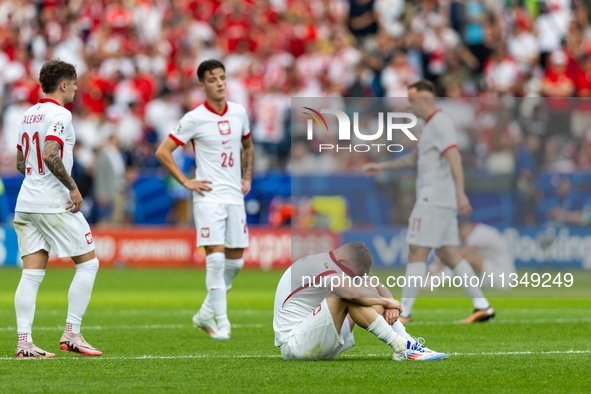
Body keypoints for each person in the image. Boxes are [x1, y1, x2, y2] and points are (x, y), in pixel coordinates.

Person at [362, 80, 494, 324]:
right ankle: (482, 306)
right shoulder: (431, 126)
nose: (410, 106)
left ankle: (405, 313)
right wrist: (382, 166)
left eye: (412, 100)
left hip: (433, 199)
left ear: (424, 99)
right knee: (450, 254)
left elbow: (453, 155)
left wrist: (460, 192)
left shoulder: (441, 123)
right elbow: (416, 158)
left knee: (416, 250)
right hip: (439, 200)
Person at [156, 59, 254, 340]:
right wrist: (186, 181)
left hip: (235, 196)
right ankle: (222, 323)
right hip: (208, 197)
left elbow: (248, 144)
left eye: (222, 78)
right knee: (216, 261)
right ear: (202, 85)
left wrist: (247, 176)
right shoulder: (194, 118)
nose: (220, 83)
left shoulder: (239, 113)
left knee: (235, 263)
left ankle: (204, 313)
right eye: (213, 80)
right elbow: (164, 151)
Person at [13, 59, 102, 358]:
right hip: (53, 203)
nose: (77, 88)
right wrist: (73, 187)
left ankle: (24, 343)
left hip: (26, 202)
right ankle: (72, 333)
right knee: (89, 264)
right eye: (74, 82)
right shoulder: (61, 114)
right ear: (63, 84)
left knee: (31, 274)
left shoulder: (27, 114)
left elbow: (20, 162)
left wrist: (36, 176)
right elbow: (51, 154)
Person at [273, 242, 447, 361]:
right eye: (352, 275)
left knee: (366, 288)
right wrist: (388, 303)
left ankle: (408, 342)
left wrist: (389, 303)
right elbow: (352, 293)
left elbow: (373, 283)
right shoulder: (317, 264)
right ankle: (401, 347)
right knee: (348, 295)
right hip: (295, 344)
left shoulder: (334, 264)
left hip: (313, 336)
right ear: (342, 261)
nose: (353, 279)